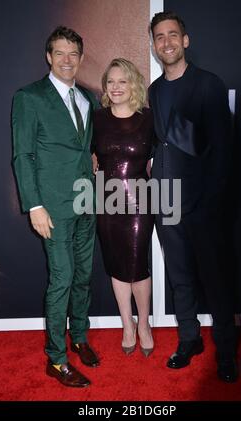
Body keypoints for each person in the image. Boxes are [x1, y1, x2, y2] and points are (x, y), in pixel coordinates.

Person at [149, 12, 238, 382]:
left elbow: (223, 150)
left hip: (203, 205)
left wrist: (210, 203)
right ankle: (189, 340)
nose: (166, 42)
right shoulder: (154, 91)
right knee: (180, 278)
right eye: (159, 37)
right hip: (166, 202)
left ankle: (227, 353)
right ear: (154, 46)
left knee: (215, 281)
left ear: (185, 40)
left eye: (172, 35)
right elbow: (161, 141)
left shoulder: (208, 85)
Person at [12, 26, 100, 388]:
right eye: (60, 53)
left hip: (86, 201)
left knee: (83, 276)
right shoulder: (29, 97)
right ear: (49, 57)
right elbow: (23, 154)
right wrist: (34, 206)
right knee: (62, 278)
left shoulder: (88, 99)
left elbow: (84, 148)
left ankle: (78, 336)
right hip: (53, 207)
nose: (67, 60)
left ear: (80, 58)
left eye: (73, 54)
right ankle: (56, 358)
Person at [92, 58, 155, 356]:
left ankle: (144, 324)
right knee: (117, 265)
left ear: (133, 85)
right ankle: (126, 324)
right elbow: (86, 156)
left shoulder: (149, 119)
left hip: (141, 201)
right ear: (105, 87)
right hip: (106, 203)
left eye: (123, 81)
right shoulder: (97, 118)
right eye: (111, 82)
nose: (116, 87)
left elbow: (160, 161)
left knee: (138, 265)